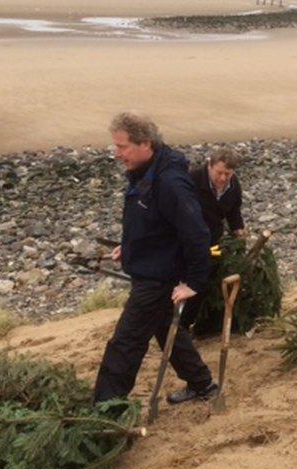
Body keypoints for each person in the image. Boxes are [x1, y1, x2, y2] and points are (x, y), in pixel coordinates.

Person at [93, 111, 219, 405]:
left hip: (157, 278)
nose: (117, 154)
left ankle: (105, 410)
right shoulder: (146, 172)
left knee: (125, 344)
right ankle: (203, 385)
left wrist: (194, 283)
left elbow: (197, 233)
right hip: (151, 267)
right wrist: (129, 246)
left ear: (145, 143)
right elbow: (153, 221)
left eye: (122, 147)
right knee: (166, 329)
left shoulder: (171, 182)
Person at [181, 147, 247, 330]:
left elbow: (234, 212)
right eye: (219, 173)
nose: (223, 178)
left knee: (206, 277)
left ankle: (188, 324)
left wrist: (238, 231)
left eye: (228, 174)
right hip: (187, 242)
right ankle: (175, 323)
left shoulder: (233, 186)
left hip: (213, 243)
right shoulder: (191, 180)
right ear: (209, 166)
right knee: (189, 280)